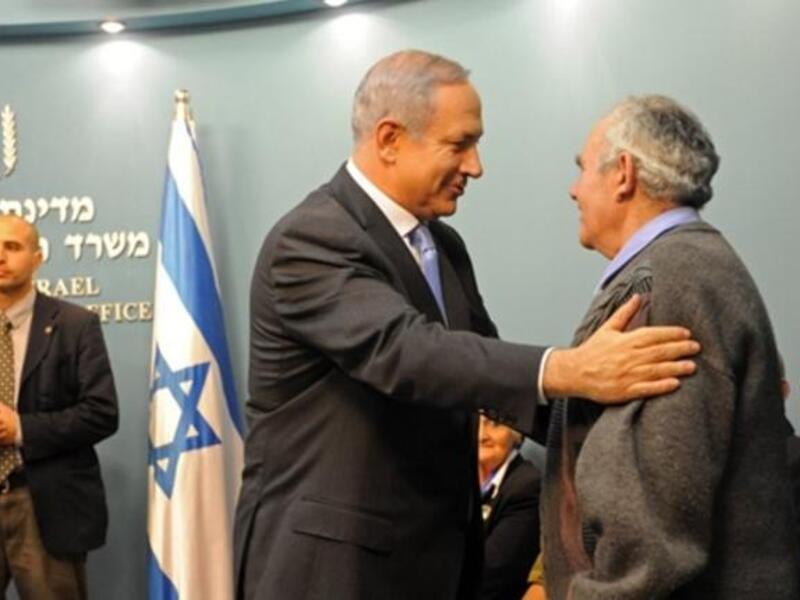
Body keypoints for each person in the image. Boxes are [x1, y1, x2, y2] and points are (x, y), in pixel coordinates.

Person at [233, 51, 700, 600]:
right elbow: (404, 351)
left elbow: (483, 371)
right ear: (389, 139)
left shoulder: (442, 244)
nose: (475, 166)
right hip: (333, 570)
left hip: (436, 564)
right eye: (459, 144)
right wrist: (569, 369)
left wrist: (638, 412)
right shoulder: (311, 239)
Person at [539, 95, 800, 598]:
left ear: (622, 174)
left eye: (581, 169)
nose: (574, 190)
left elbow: (650, 535)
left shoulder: (670, 281)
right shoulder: (692, 266)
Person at [0, 214, 118, 599]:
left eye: (12, 247)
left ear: (37, 258)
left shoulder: (74, 324)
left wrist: (21, 429)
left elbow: (101, 412)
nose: (0, 257)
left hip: (43, 503)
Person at [478, 414, 541, 600]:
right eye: (476, 423)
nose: (482, 435)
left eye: (495, 424)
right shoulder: (453, 474)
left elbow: (490, 575)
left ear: (517, 434)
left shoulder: (527, 486)